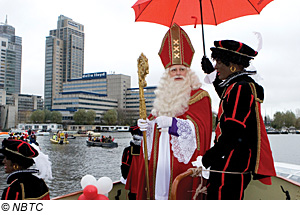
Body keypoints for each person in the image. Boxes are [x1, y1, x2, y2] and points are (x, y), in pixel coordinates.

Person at [136, 23, 212, 200]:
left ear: (188, 72)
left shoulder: (201, 96)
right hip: (158, 164)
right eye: (173, 70)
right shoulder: (163, 96)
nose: (178, 73)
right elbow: (153, 124)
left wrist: (174, 124)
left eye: (182, 69)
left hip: (181, 167)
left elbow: (202, 129)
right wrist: (145, 126)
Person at [200, 40, 276, 200]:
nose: (216, 66)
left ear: (232, 64)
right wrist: (211, 74)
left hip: (231, 163)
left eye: (219, 62)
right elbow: (225, 93)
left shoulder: (241, 88)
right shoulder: (240, 85)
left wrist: (207, 159)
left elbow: (233, 133)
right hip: (233, 162)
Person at [120, 125, 142, 200]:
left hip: (133, 180)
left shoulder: (128, 150)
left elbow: (125, 165)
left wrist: (125, 177)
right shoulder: (149, 150)